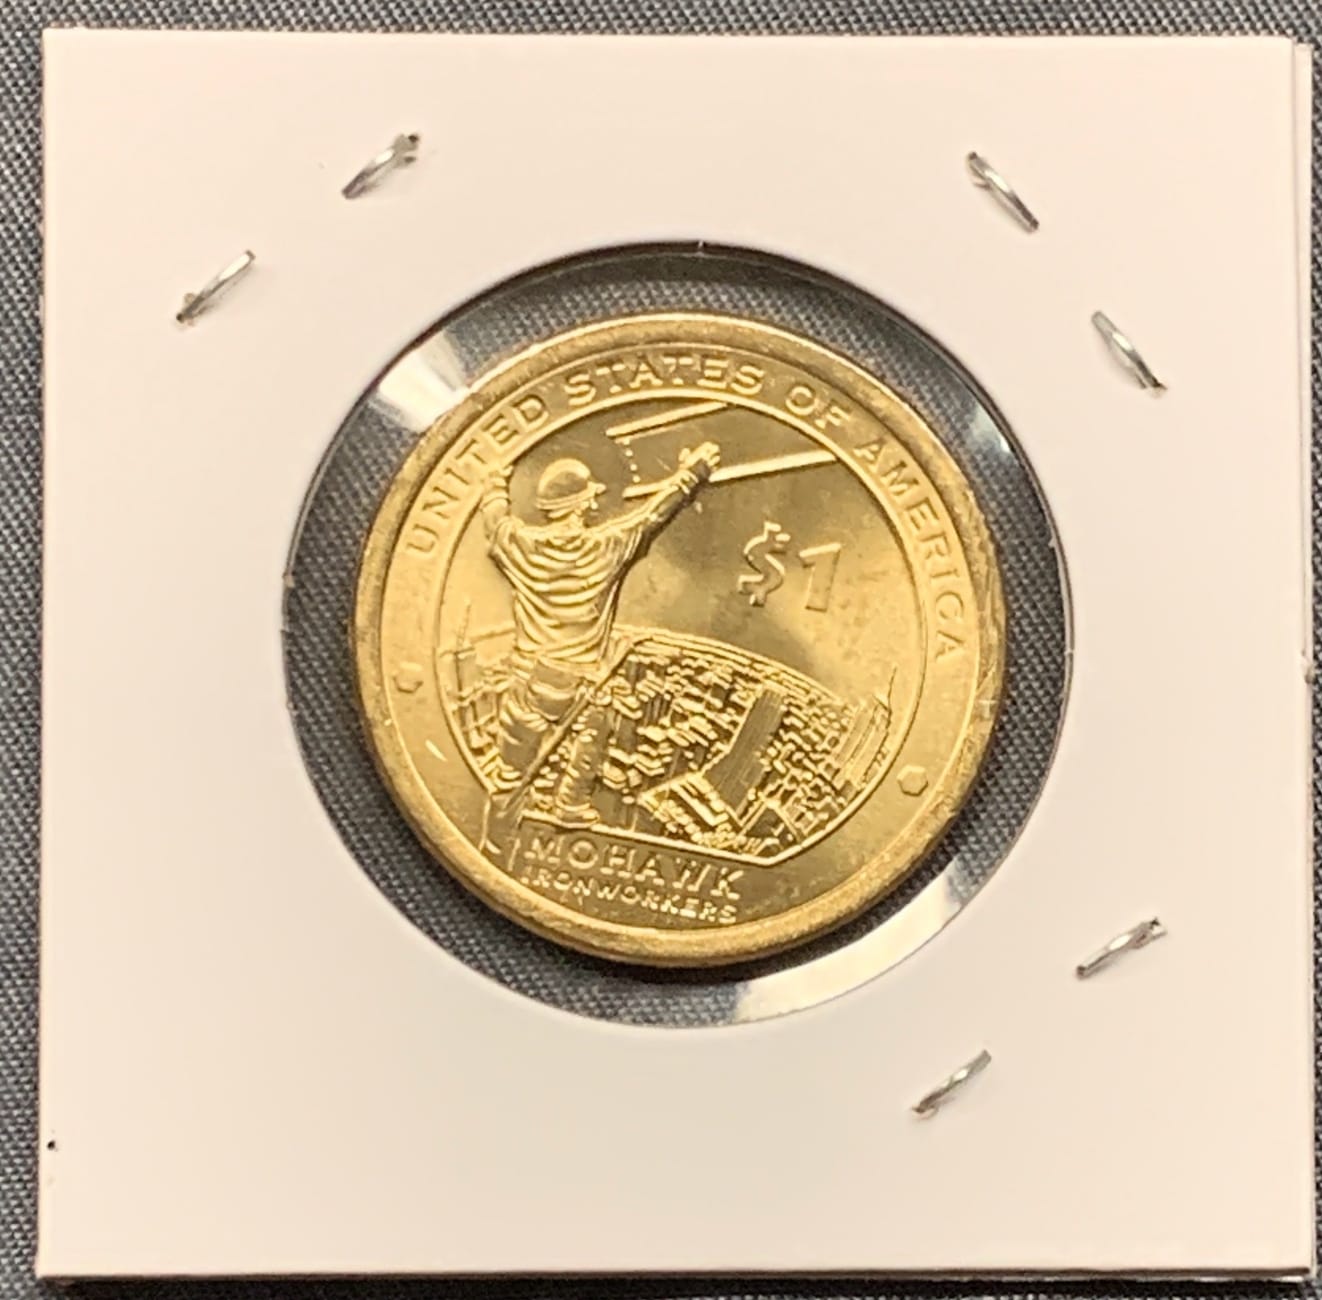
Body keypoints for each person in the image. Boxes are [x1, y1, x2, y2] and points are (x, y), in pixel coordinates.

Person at [479, 442, 720, 834]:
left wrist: (494, 483)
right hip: (576, 681)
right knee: (592, 735)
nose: (593, 503)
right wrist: (690, 475)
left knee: (509, 773)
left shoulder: (518, 545)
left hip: (527, 679)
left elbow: (494, 520)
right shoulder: (605, 547)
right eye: (589, 498)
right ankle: (570, 805)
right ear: (579, 505)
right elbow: (652, 515)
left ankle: (496, 836)